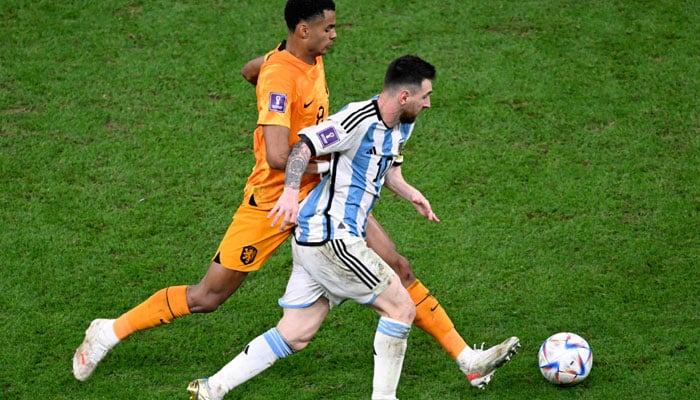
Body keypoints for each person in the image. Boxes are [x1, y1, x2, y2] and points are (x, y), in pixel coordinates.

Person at [72, 0, 338, 382]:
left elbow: (252, 70)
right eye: (328, 28)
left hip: (315, 193)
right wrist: (335, 162)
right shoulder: (281, 75)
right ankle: (109, 331)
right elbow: (279, 156)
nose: (333, 35)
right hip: (271, 201)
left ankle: (453, 351)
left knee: (390, 264)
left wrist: (265, 83)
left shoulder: (301, 59)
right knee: (208, 297)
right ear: (302, 30)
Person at [239, 41, 516, 390]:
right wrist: (291, 192)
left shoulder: (404, 123)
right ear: (404, 96)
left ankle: (210, 388)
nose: (429, 103)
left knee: (295, 332)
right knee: (400, 307)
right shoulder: (356, 120)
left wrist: (412, 193)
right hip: (329, 233)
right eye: (425, 95)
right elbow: (301, 148)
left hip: (337, 231)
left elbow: (387, 169)